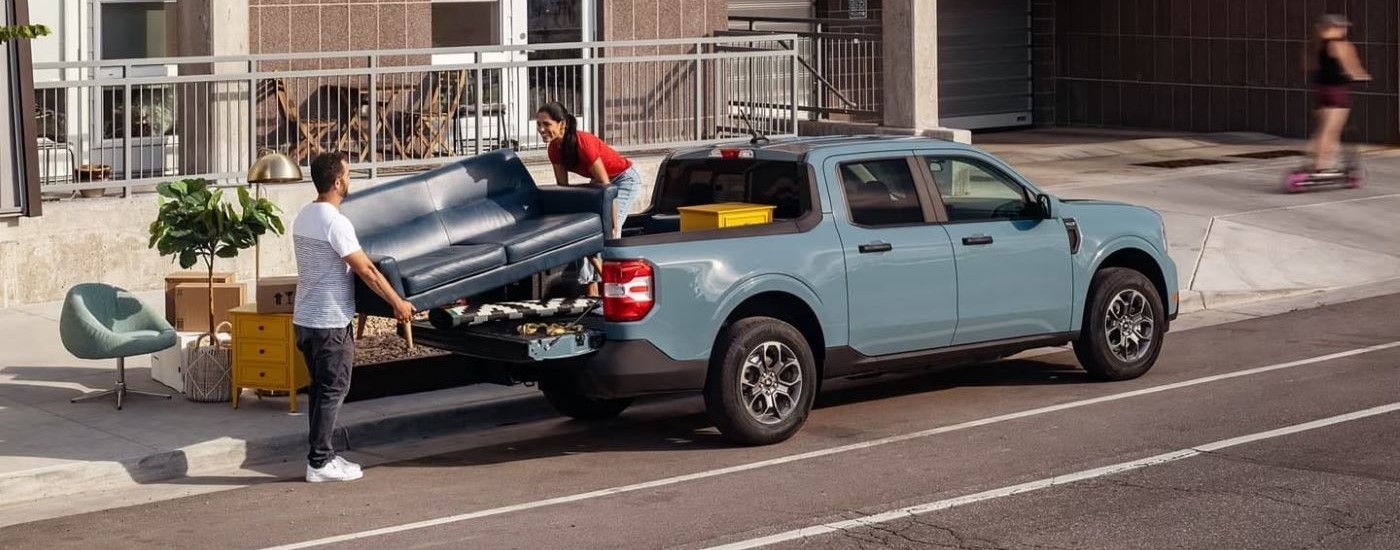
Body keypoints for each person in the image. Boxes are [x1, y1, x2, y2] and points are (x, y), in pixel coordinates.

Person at [292, 151, 415, 483]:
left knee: (320, 390)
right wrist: (397, 303)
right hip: (329, 321)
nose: (350, 179)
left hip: (305, 319)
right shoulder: (335, 222)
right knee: (333, 389)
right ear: (337, 181)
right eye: (348, 174)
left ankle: (323, 455)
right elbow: (368, 272)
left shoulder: (304, 215)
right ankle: (319, 462)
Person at [536, 102, 646, 296]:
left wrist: (611, 222)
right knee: (584, 233)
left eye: (546, 124)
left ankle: (616, 290)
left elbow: (607, 187)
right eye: (539, 125)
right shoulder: (554, 149)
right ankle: (591, 292)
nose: (541, 129)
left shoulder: (583, 142)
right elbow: (564, 189)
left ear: (561, 123)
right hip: (600, 185)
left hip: (622, 181)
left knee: (607, 234)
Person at [1306, 14, 1370, 174]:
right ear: (1334, 28)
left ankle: (1317, 161)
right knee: (1332, 131)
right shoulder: (1342, 45)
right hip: (1337, 91)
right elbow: (1351, 67)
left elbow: (1308, 66)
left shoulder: (1316, 44)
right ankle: (1323, 165)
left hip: (1322, 90)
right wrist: (1361, 75)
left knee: (1323, 129)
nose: (1345, 29)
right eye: (1342, 27)